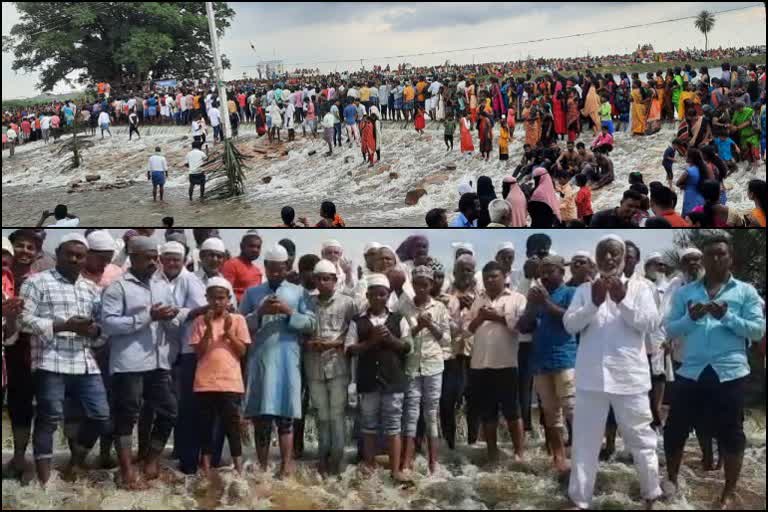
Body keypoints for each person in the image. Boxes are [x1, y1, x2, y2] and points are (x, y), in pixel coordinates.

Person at [664, 235, 765, 509]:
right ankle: (671, 483)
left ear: (730, 257)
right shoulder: (685, 293)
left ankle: (728, 493)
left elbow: (757, 330)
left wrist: (727, 317)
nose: (716, 259)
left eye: (721, 254)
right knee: (675, 429)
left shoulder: (746, 292)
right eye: (711, 255)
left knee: (731, 432)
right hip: (692, 369)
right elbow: (669, 329)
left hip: (729, 372)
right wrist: (690, 318)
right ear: (704, 259)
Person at [564, 235, 662, 510]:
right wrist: (593, 304)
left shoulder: (642, 288)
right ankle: (580, 500)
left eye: (614, 253)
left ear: (623, 258)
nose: (609, 258)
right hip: (590, 380)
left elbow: (651, 323)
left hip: (629, 378)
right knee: (584, 443)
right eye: (603, 253)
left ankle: (651, 494)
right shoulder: (585, 290)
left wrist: (622, 302)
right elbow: (570, 325)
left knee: (641, 440)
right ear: (596, 258)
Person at [18, 234, 110, 485]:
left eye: (79, 256)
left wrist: (95, 331)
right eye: (68, 254)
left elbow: (102, 329)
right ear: (57, 255)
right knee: (49, 417)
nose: (73, 259)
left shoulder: (92, 289)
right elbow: (22, 320)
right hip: (50, 359)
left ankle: (75, 463)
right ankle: (45, 481)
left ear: (85, 259)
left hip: (84, 360)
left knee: (101, 415)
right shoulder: (36, 282)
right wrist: (62, 326)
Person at [101, 236, 181, 489]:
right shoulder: (117, 287)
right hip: (129, 363)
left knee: (169, 411)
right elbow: (109, 324)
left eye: (154, 257)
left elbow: (173, 322)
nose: (153, 262)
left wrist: (170, 318)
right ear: (132, 257)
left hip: (157, 362)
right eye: (147, 257)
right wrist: (148, 316)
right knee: (127, 417)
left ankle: (151, 461)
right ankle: (126, 471)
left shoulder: (161, 286)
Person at [240, 244, 316, 478]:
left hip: (286, 361)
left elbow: (312, 324)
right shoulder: (253, 293)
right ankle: (262, 467)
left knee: (285, 416)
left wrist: (288, 311)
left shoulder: (299, 293)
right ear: (265, 267)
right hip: (260, 360)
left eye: (280, 269)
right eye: (272, 269)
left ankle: (286, 464)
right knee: (262, 418)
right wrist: (259, 313)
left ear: (287, 268)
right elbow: (239, 325)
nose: (276, 273)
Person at [345, 273, 412, 484]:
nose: (378, 299)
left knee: (393, 426)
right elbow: (350, 350)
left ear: (388, 295)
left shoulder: (398, 319)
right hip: (368, 382)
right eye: (374, 295)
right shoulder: (358, 322)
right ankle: (370, 467)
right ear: (367, 295)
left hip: (393, 382)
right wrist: (371, 341)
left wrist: (390, 339)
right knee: (368, 425)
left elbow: (407, 347)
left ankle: (395, 470)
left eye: (382, 295)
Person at [517, 255, 576, 473]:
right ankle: (559, 457)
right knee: (551, 413)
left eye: (550, 271)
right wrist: (532, 306)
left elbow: (570, 319)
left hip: (565, 359)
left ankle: (580, 454)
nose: (545, 275)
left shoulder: (571, 293)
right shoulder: (535, 296)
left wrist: (545, 303)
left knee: (572, 409)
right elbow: (522, 327)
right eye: (542, 271)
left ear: (562, 272)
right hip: (540, 362)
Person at [189, 278, 250, 478]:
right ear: (207, 299)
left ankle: (238, 468)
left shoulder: (238, 320)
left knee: (232, 426)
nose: (217, 302)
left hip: (231, 383)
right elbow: (199, 352)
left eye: (221, 298)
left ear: (228, 299)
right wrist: (207, 328)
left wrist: (228, 333)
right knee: (204, 426)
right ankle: (206, 468)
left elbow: (241, 351)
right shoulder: (200, 321)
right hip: (205, 383)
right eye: (213, 298)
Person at [467, 262, 527, 462]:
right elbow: (467, 329)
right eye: (486, 278)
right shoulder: (478, 300)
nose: (490, 280)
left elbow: (522, 327)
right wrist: (481, 318)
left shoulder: (517, 298)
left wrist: (498, 316)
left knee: (512, 410)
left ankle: (519, 452)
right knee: (487, 412)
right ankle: (492, 453)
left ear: (504, 277)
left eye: (494, 276)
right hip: (480, 364)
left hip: (506, 363)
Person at [305, 259, 357, 476]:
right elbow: (300, 330)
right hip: (314, 366)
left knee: (337, 414)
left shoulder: (347, 303)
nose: (323, 282)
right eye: (319, 278)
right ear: (314, 280)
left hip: (338, 366)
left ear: (335, 280)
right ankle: (322, 456)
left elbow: (354, 330)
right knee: (321, 414)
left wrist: (335, 344)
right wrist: (308, 343)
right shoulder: (307, 302)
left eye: (328, 278)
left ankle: (338, 458)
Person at [400, 265, 450, 475]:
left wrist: (429, 325)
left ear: (431, 285)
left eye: (425, 285)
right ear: (412, 284)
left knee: (431, 413)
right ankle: (406, 462)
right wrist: (418, 326)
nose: (421, 288)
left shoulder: (439, 308)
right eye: (417, 284)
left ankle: (433, 463)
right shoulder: (405, 307)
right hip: (412, 365)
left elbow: (446, 339)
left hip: (433, 365)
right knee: (411, 414)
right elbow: (402, 340)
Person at [221, 230, 263, 303]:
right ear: (242, 246)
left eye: (258, 247)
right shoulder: (231, 264)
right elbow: (224, 293)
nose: (255, 250)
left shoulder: (257, 271)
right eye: (251, 246)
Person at [676, 147, 708, 217]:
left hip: (690, 198)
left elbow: (677, 183)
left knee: (688, 218)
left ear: (691, 158)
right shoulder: (704, 168)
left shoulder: (689, 171)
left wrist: (685, 186)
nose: (685, 156)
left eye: (686, 155)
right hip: (701, 197)